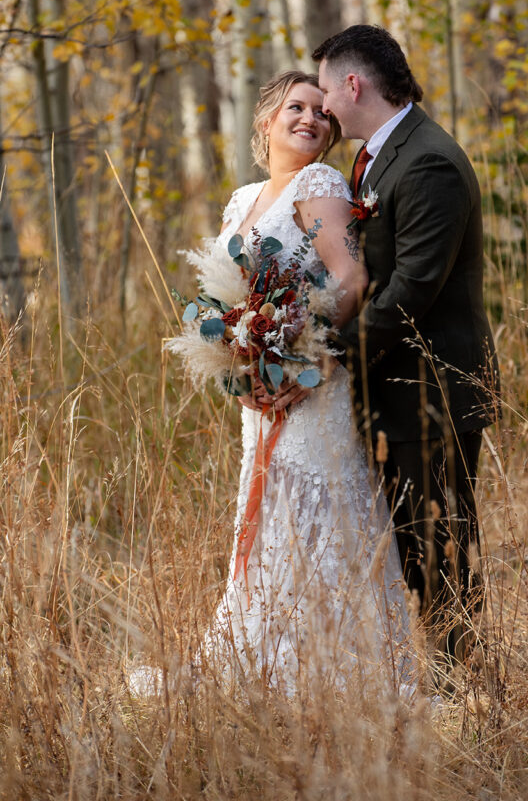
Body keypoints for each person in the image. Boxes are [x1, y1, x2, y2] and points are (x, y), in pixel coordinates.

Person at [129, 70, 415, 697]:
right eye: (296, 107)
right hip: (261, 391)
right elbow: (227, 293)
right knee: (265, 516)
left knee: (314, 515)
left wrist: (301, 352)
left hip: (311, 386)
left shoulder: (321, 184)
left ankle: (339, 672)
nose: (311, 118)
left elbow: (350, 278)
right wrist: (242, 352)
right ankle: (262, 659)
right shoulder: (243, 198)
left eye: (321, 111)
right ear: (267, 120)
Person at [311, 26, 500, 663]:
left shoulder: (429, 161)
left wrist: (328, 359)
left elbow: (412, 290)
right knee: (409, 543)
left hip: (432, 391)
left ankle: (465, 689)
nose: (325, 107)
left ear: (354, 85)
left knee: (439, 544)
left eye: (327, 92)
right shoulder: (380, 156)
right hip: (396, 386)